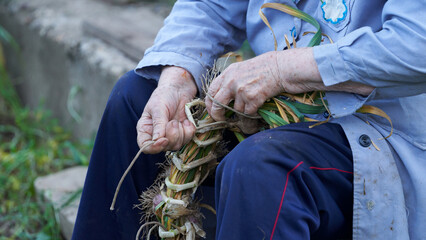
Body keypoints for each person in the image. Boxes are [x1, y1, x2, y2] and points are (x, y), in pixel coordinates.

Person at [72, 0, 426, 239]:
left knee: (262, 166)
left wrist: (281, 70)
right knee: (135, 98)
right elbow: (211, 6)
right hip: (277, 117)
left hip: (378, 133)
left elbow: (416, 45)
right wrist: (177, 77)